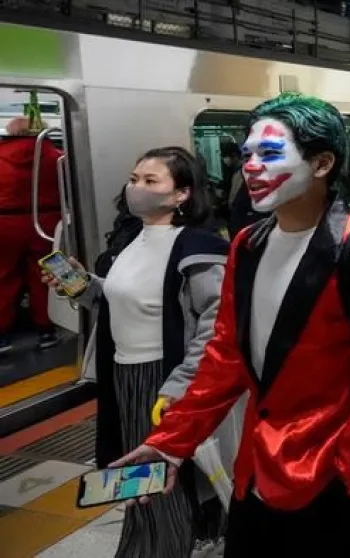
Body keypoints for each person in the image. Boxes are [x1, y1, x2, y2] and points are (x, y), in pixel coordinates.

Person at [111, 93, 350, 557]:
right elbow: (225, 357)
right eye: (248, 154)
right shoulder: (247, 245)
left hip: (327, 477)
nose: (251, 167)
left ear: (322, 163)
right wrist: (170, 443)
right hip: (253, 468)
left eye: (270, 153)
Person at [42, 146, 231, 558]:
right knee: (143, 478)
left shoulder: (197, 247)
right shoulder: (126, 245)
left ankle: (158, 549)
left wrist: (181, 385)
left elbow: (216, 321)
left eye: (150, 181)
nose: (136, 189)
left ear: (182, 194)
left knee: (162, 482)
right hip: (124, 377)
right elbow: (115, 301)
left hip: (166, 378)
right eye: (133, 179)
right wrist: (80, 286)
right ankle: (164, 541)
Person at [0, 116, 61, 353]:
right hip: (47, 222)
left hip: (4, 223)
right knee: (46, 275)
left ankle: (2, 335)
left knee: (3, 277)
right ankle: (47, 330)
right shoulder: (57, 157)